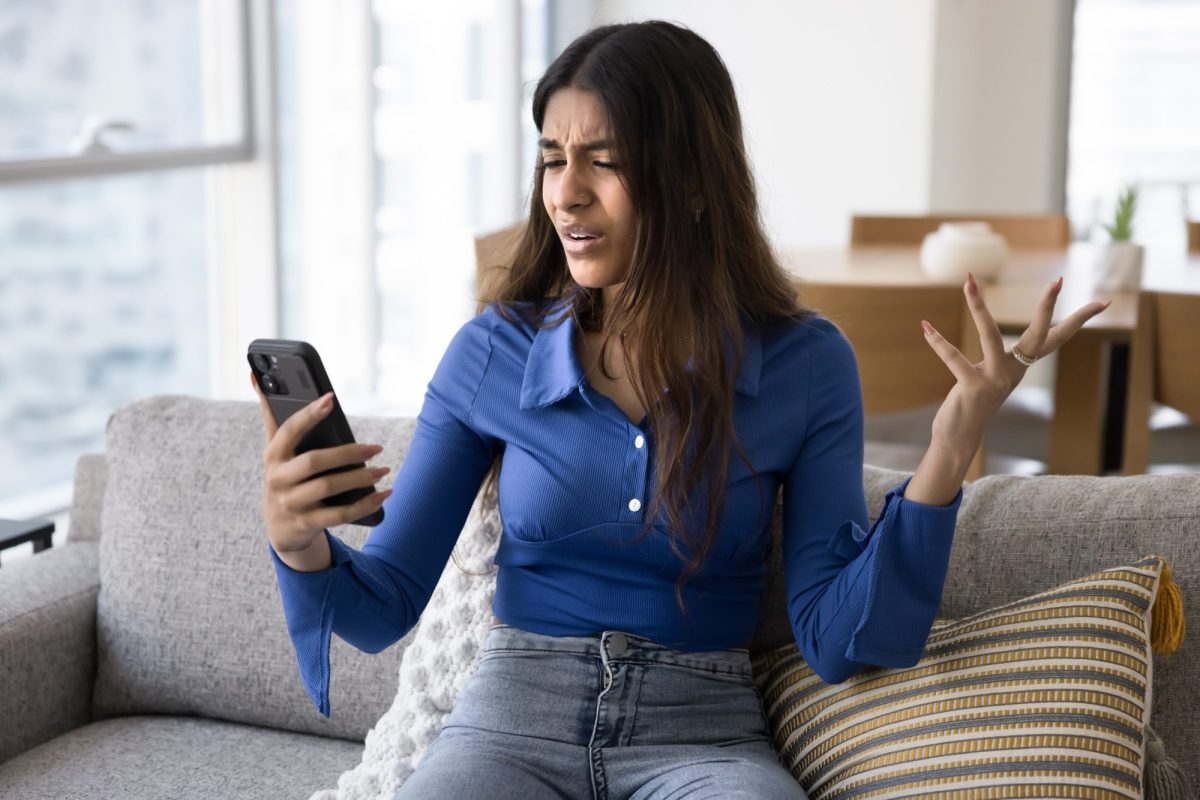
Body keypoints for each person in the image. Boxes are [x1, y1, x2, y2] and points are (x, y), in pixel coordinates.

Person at [256, 21, 1110, 800]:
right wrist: (299, 540)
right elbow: (383, 605)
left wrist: (952, 444)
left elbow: (835, 638)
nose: (567, 193)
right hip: (510, 724)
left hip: (702, 739)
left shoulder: (805, 364)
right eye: (554, 158)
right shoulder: (493, 351)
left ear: (694, 181)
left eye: (605, 159)